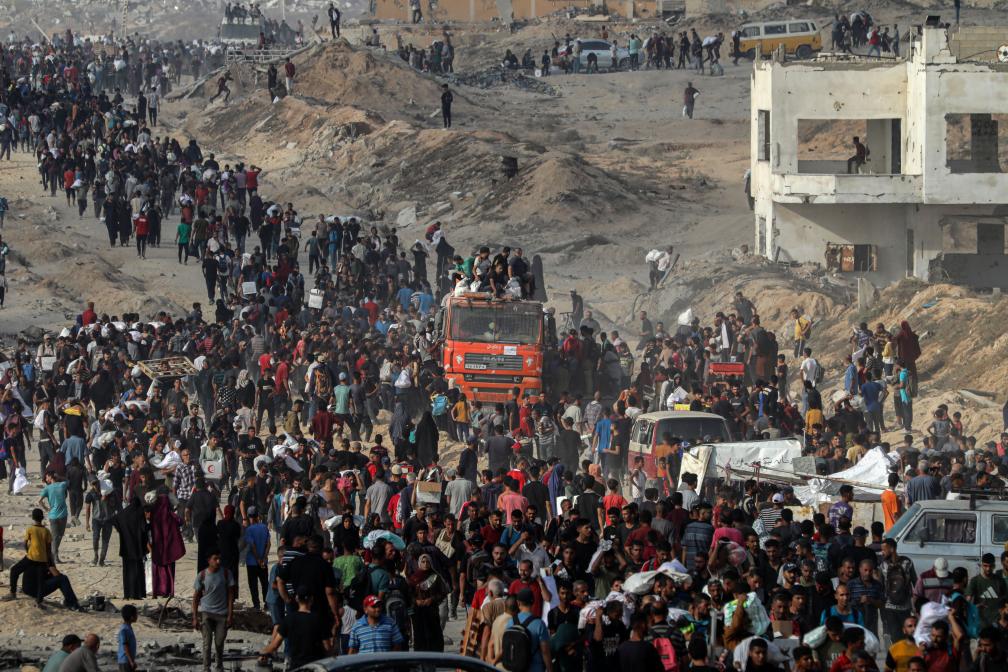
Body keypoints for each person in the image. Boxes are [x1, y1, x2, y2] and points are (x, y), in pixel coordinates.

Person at [258, 586, 328, 668]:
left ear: (297, 598)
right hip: (315, 666)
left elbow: (275, 645)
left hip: (296, 666)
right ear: (312, 599)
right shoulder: (319, 619)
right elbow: (327, 647)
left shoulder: (289, 619)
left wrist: (262, 652)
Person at [193, 551, 237, 672]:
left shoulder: (226, 573)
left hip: (222, 614)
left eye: (219, 558)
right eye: (215, 558)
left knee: (219, 643)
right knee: (207, 644)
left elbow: (231, 596)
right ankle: (206, 668)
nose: (218, 561)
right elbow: (195, 598)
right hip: (207, 613)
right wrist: (195, 618)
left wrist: (230, 615)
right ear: (209, 560)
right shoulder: (202, 575)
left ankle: (219, 667)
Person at [5, 508, 52, 607]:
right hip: (43, 559)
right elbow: (49, 548)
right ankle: (39, 601)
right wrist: (48, 561)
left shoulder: (30, 529)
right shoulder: (46, 531)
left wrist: (28, 552)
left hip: (31, 557)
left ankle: (13, 593)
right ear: (42, 518)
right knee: (40, 581)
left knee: (14, 570)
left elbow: (25, 543)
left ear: (33, 518)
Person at [117, 604, 139, 672]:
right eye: (136, 614)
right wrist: (131, 661)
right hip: (125, 661)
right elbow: (125, 646)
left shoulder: (128, 627)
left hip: (127, 660)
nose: (137, 616)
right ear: (131, 617)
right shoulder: (124, 629)